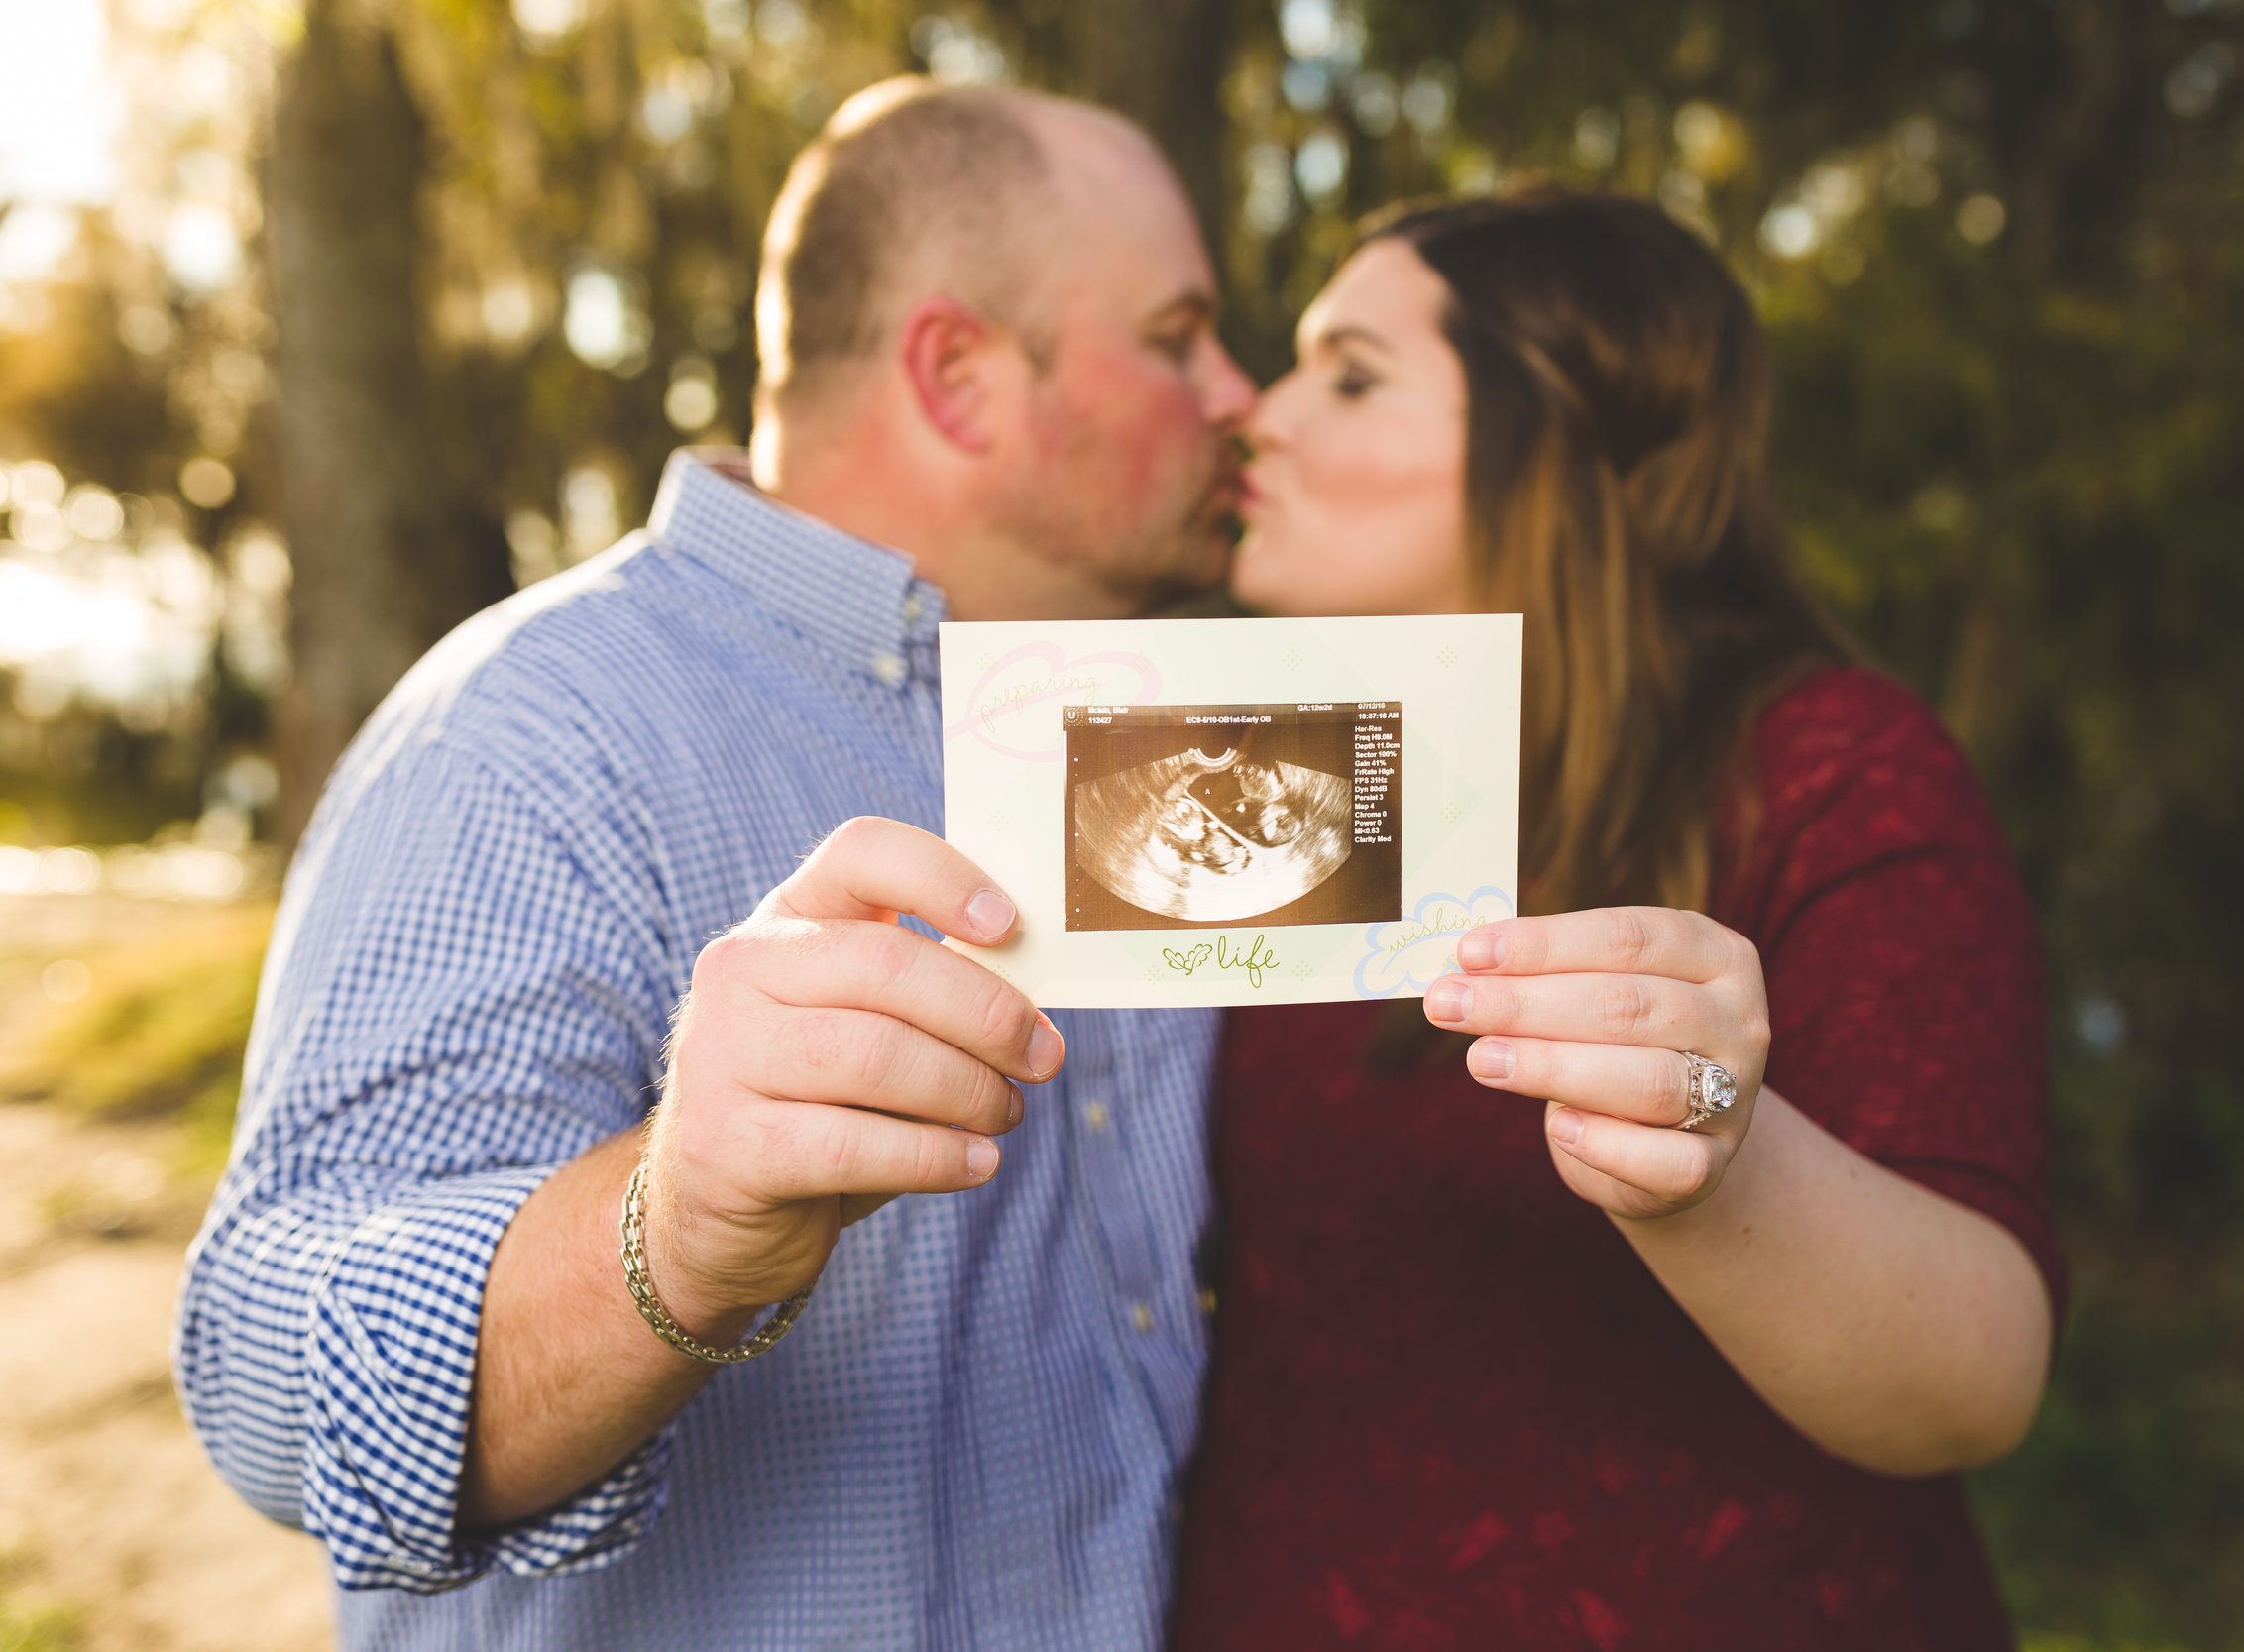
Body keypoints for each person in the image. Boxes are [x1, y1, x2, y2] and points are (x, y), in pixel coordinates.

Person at [176, 79, 1253, 1650]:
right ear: (956, 375)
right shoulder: (539, 731)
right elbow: (265, 1380)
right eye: (1177, 336)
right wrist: (672, 1233)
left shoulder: (1171, 738)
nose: (1243, 394)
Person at [1170, 188, 2065, 1648]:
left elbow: (1977, 1378)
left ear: (1562, 436)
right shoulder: (1275, 783)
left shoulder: (1827, 771)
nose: (1257, 417)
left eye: (1349, 373)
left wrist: (1720, 1168)